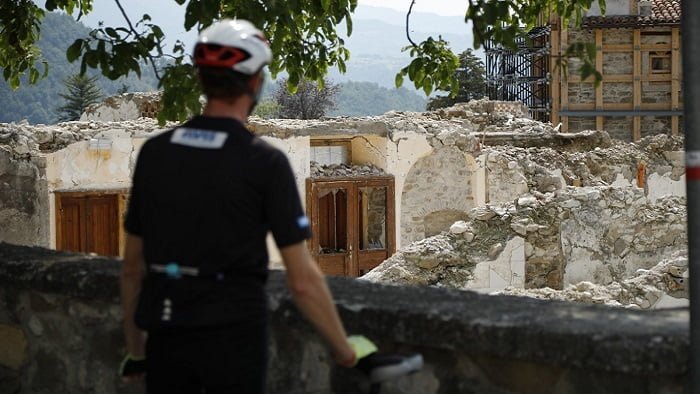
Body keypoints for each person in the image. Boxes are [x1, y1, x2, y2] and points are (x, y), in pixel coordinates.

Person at [118, 19, 363, 393]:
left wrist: (137, 353)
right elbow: (301, 281)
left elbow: (133, 268)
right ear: (254, 82)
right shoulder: (264, 162)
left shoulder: (155, 153)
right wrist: (345, 351)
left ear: (201, 81)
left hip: (167, 332)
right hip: (234, 337)